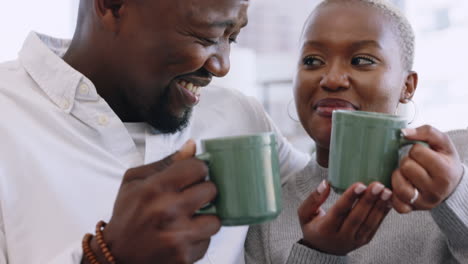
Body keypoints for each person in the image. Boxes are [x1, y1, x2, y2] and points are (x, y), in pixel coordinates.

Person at [0, 0, 309, 263]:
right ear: (113, 5)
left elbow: (325, 202)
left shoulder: (241, 119)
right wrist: (108, 255)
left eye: (233, 37)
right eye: (206, 37)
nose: (222, 66)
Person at [245, 0, 468, 263]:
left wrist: (456, 197)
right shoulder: (269, 212)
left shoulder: (460, 158)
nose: (332, 79)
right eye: (312, 60)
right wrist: (317, 254)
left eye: (361, 60)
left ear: (407, 86)